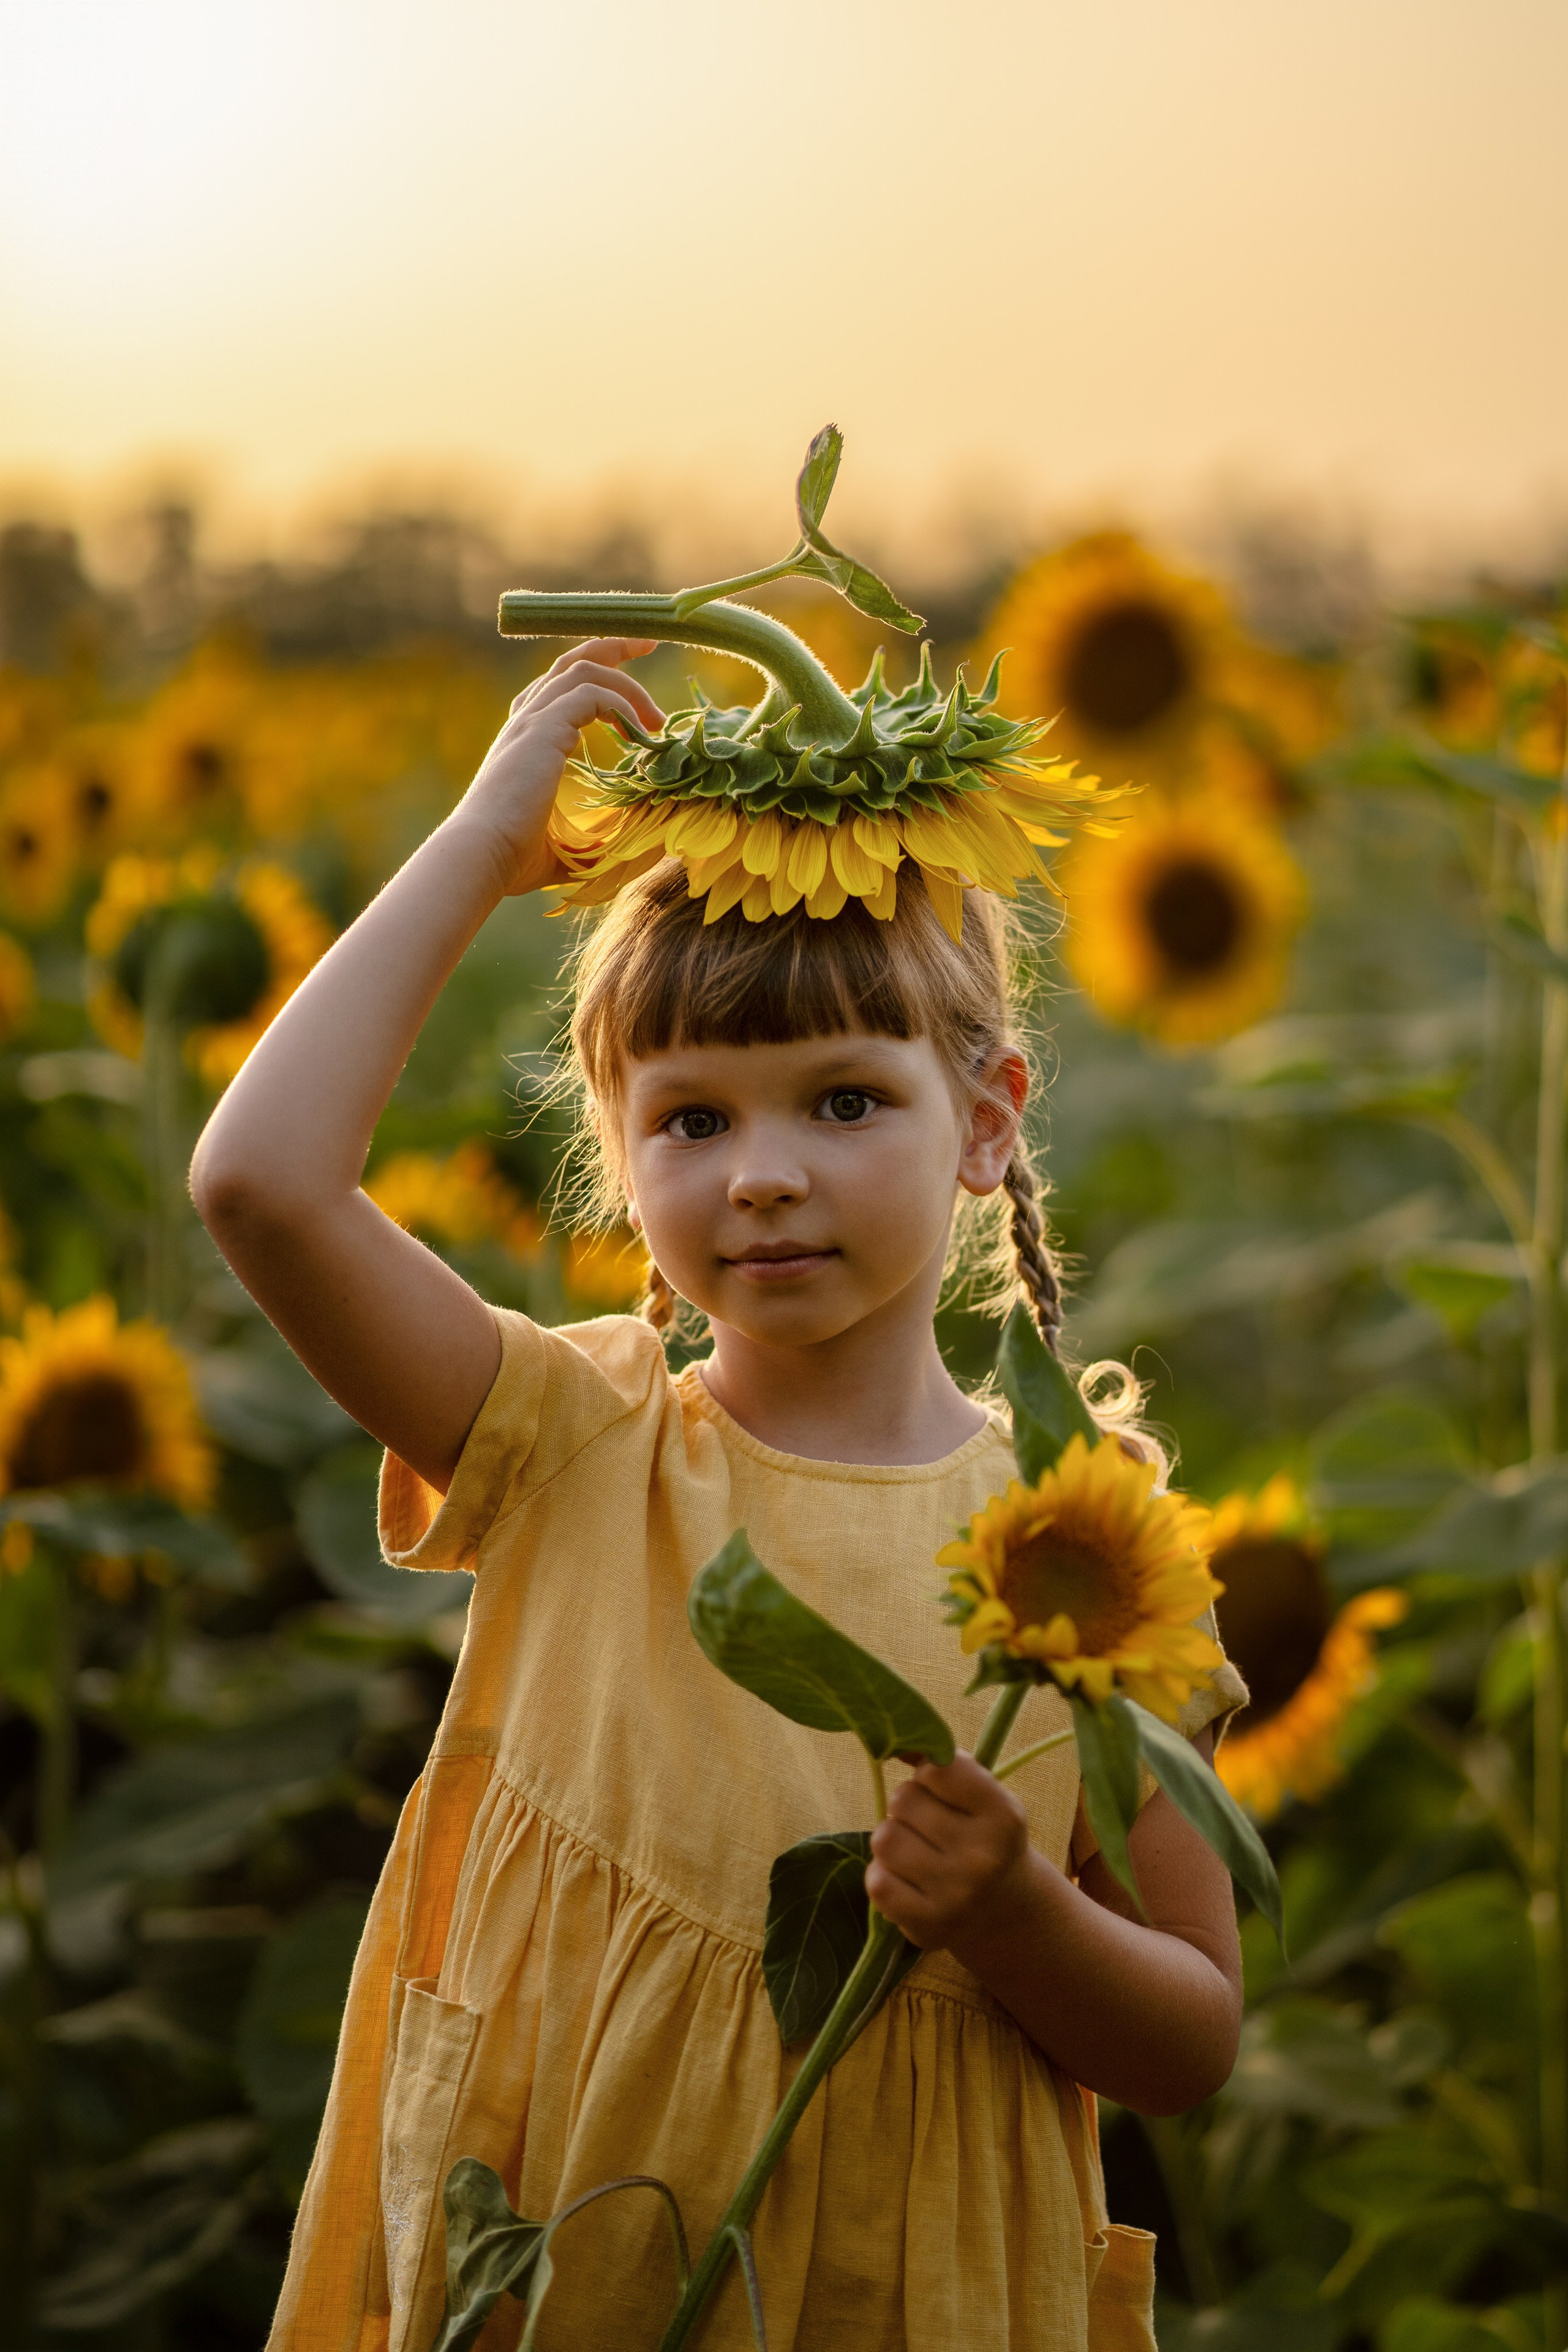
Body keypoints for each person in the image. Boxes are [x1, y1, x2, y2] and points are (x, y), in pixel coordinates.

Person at [192, 639, 1247, 2352]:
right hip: (572, 2252)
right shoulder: (572, 1443)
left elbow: (1191, 2037)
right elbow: (259, 1185)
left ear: (987, 1121)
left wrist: (1018, 1917)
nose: (762, 1175)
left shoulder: (1084, 1545)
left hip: (905, 2292)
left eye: (845, 1100)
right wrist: (481, 845)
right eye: (688, 1119)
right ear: (615, 1147)